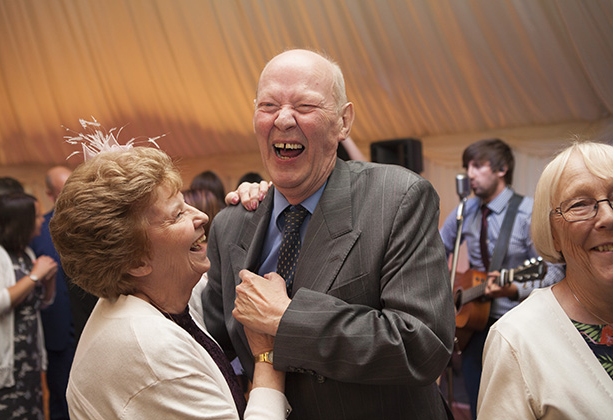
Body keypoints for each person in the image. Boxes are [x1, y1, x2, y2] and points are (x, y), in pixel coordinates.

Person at [203, 49, 455, 419]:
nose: (283, 119)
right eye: (269, 105)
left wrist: (287, 318)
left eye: (305, 105)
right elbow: (216, 346)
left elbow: (422, 344)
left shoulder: (397, 198)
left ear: (343, 121)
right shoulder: (231, 224)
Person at [49, 143, 290, 419]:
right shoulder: (150, 350)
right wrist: (267, 357)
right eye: (178, 215)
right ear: (137, 261)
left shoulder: (155, 294)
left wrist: (257, 208)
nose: (201, 216)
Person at [477, 141, 613, 418]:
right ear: (552, 235)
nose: (608, 217)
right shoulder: (517, 341)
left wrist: (514, 287)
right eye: (580, 204)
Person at [440, 138, 564, 418]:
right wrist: (444, 289)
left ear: (502, 169)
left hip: (520, 326)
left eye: (478, 165)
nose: (469, 174)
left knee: (515, 407)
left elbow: (555, 271)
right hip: (474, 327)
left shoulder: (527, 212)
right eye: (466, 167)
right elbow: (433, 250)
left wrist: (515, 289)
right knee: (478, 406)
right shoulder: (464, 211)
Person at [0, 192, 57, 419]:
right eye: (36, 216)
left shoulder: (24, 252)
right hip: (5, 364)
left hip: (29, 361)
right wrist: (35, 276)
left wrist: (49, 279)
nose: (42, 220)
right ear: (20, 221)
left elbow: (42, 302)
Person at [30, 166, 75, 420]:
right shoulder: (37, 233)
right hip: (56, 333)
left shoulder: (91, 224)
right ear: (50, 194)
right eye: (62, 191)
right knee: (60, 400)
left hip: (90, 327)